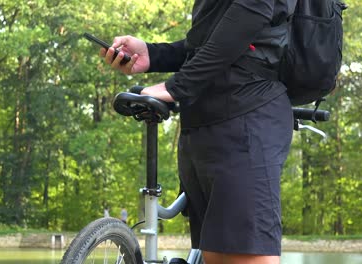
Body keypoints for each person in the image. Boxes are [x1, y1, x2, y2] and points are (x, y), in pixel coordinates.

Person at [99, 1, 296, 263]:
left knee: (243, 256)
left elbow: (252, 14)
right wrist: (153, 54)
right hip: (203, 126)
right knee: (215, 255)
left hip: (245, 121)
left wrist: (177, 87)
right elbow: (215, 41)